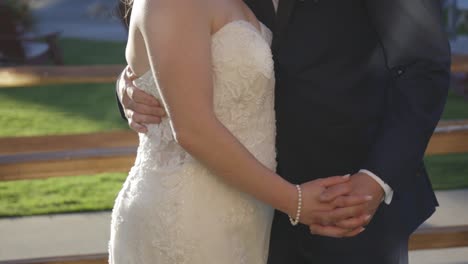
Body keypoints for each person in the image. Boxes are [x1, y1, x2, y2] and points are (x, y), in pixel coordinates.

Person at [116, 0, 451, 263]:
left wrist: (377, 178)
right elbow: (160, 40)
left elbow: (422, 67)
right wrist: (130, 88)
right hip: (240, 201)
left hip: (348, 199)